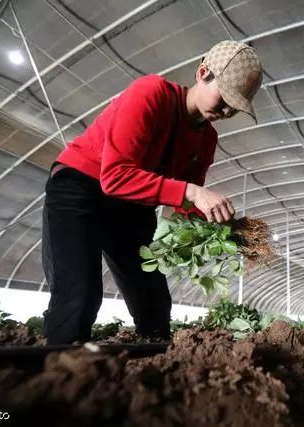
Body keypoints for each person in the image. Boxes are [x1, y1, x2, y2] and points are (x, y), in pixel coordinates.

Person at [41, 41, 264, 344]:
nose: (225, 110)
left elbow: (187, 206)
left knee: (154, 303)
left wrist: (226, 227)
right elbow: (115, 176)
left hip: (131, 204)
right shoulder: (151, 93)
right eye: (224, 97)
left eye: (234, 107)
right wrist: (193, 192)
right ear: (203, 73)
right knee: (79, 295)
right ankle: (58, 373)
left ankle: (153, 369)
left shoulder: (206, 140)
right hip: (81, 187)